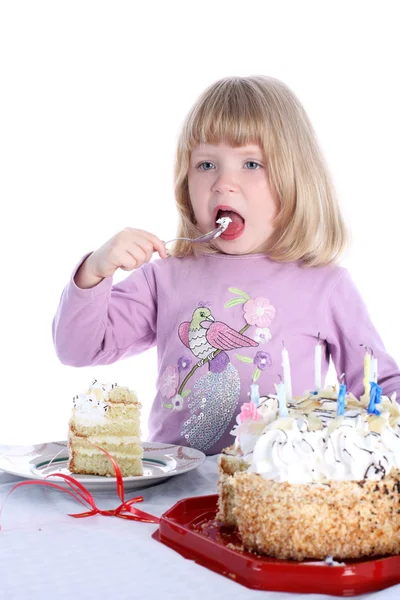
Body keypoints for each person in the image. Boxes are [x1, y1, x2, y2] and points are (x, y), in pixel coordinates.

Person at [52, 75, 400, 455]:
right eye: (205, 165)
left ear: (296, 179)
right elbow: (77, 348)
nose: (223, 183)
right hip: (174, 491)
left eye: (251, 163)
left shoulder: (325, 285)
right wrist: (95, 272)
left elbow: (379, 387)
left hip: (277, 490)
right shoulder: (164, 277)